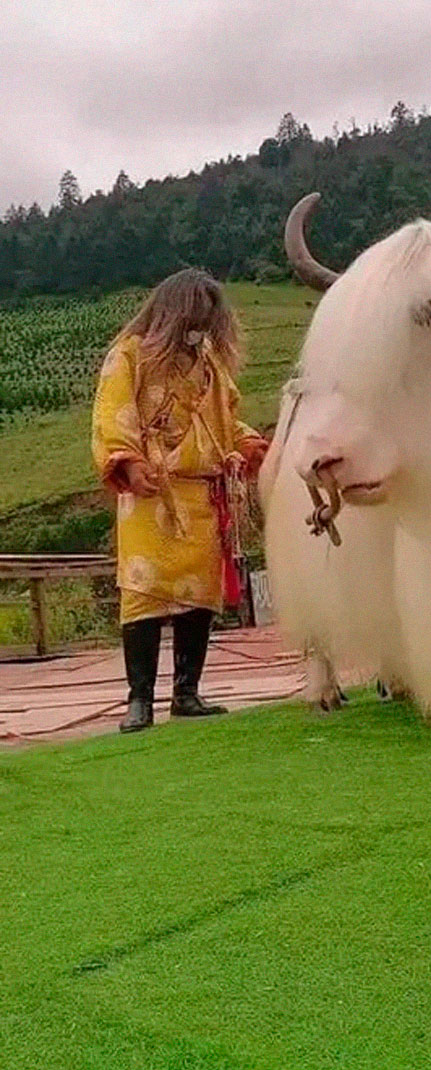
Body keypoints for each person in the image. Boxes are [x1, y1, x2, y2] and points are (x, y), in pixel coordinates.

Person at [92, 269, 268, 733]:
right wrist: (129, 463)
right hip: (151, 493)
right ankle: (140, 699)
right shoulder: (127, 356)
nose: (201, 329)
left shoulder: (209, 363)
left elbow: (227, 421)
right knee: (144, 595)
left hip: (202, 493)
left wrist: (250, 446)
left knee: (199, 599)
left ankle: (187, 693)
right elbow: (114, 414)